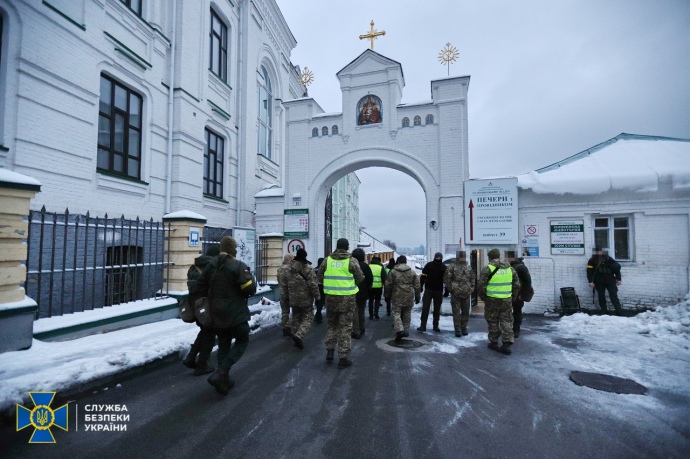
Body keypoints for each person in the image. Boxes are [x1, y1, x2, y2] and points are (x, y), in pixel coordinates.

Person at [193, 236, 256, 395]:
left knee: (224, 344)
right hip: (236, 313)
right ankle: (221, 372)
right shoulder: (238, 265)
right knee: (242, 340)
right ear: (233, 249)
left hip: (216, 313)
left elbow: (198, 286)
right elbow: (249, 288)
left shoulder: (211, 265)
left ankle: (224, 381)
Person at [317, 238, 365, 369]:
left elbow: (319, 276)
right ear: (347, 247)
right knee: (345, 328)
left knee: (332, 325)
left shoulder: (327, 260)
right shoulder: (352, 261)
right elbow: (360, 277)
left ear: (337, 246)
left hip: (331, 299)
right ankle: (343, 358)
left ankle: (330, 350)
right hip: (347, 300)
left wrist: (330, 284)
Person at [183, 244, 220, 375]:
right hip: (207, 306)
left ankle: (191, 357)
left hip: (196, 306)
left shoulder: (194, 267)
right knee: (210, 334)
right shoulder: (212, 268)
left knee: (204, 331)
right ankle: (202, 365)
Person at [478, 248, 520, 355]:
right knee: (506, 321)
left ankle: (494, 342)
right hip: (506, 299)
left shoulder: (488, 269)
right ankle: (506, 344)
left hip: (492, 300)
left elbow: (480, 285)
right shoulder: (510, 268)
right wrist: (512, 297)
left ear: (490, 257)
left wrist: (484, 298)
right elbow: (516, 285)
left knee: (492, 320)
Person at [284, 248, 320, 350]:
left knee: (296, 317)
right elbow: (313, 285)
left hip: (293, 298)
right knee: (308, 317)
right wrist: (317, 297)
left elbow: (285, 282)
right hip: (305, 299)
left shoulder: (289, 268)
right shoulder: (308, 268)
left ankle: (295, 337)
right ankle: (299, 335)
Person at [385, 255, 421, 342]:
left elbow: (388, 284)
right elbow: (417, 285)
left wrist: (386, 295)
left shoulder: (393, 271)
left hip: (397, 295)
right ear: (406, 262)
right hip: (409, 295)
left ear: (398, 262)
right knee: (407, 313)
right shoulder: (412, 272)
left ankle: (399, 329)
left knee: (396, 313)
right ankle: (406, 330)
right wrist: (417, 296)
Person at [443, 251, 475, 337]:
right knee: (456, 313)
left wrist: (471, 289)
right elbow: (447, 279)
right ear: (458, 257)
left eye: (463, 256)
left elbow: (472, 279)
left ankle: (464, 328)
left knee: (465, 313)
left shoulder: (468, 267)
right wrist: (452, 289)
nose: (462, 258)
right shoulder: (452, 267)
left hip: (466, 294)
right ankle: (458, 330)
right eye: (461, 256)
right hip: (456, 294)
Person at [587, 248, 623, 315]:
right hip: (599, 280)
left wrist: (619, 279)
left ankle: (619, 311)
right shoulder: (592, 260)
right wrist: (590, 281)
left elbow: (617, 269)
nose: (599, 253)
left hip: (610, 280)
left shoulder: (609, 259)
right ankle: (604, 311)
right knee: (601, 296)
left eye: (600, 251)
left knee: (613, 296)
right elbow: (589, 271)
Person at [417, 252, 447, 332]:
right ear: (435, 257)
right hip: (429, 290)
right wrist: (421, 286)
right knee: (425, 308)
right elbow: (423, 276)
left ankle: (435, 326)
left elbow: (446, 280)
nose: (438, 258)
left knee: (437, 309)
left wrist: (447, 290)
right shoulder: (429, 265)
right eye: (437, 257)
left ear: (441, 258)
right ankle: (423, 325)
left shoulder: (444, 267)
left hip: (438, 290)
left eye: (439, 257)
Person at [506, 250, 531, 338]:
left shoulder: (521, 267)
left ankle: (516, 329)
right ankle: (508, 329)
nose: (507, 259)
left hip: (518, 295)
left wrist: (523, 295)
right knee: (508, 312)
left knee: (517, 312)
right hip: (510, 294)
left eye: (508, 257)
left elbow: (528, 282)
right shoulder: (510, 266)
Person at [351, 248, 373, 339]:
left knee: (354, 311)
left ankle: (356, 330)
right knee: (362, 311)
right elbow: (370, 279)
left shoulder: (351, 265)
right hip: (364, 292)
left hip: (353, 291)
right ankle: (362, 328)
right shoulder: (366, 266)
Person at [277, 253, 294, 336]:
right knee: (296, 311)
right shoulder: (290, 269)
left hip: (282, 293)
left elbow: (278, 280)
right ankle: (289, 327)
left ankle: (284, 328)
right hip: (290, 293)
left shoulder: (279, 269)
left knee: (284, 312)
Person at [313, 257, 325, 324]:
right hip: (322, 286)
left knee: (318, 301)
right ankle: (318, 315)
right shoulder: (324, 270)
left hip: (316, 286)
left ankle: (318, 314)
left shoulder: (314, 269)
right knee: (321, 301)